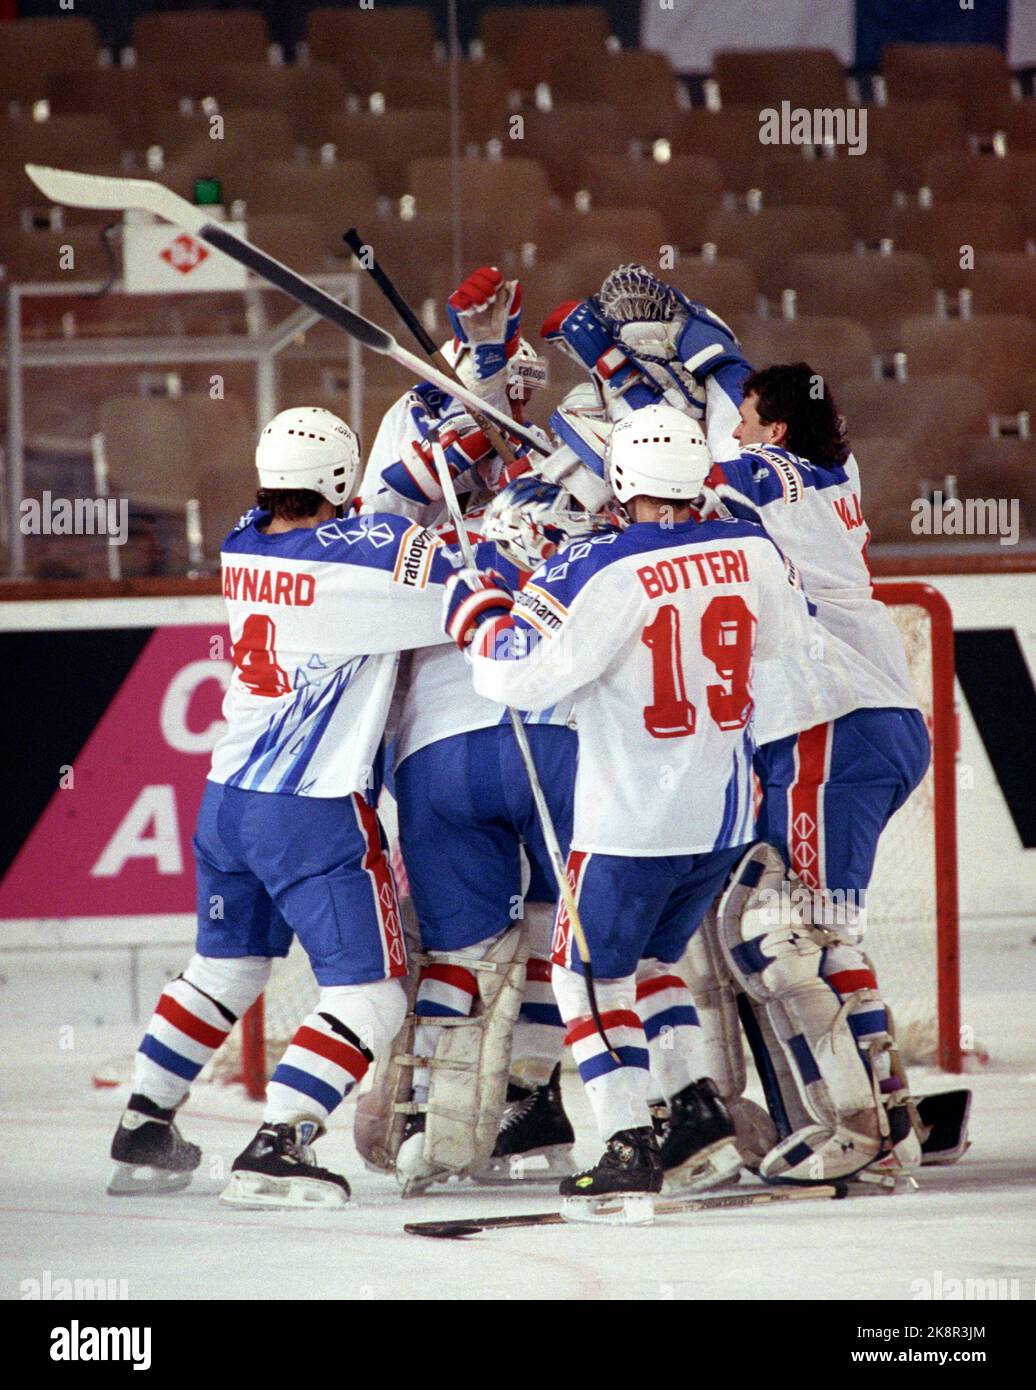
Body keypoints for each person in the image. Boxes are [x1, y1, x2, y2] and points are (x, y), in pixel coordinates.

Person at [442, 403, 855, 1201]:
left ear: (621, 478)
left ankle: (628, 1142)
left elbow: (519, 676)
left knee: (583, 977)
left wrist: (486, 597)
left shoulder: (595, 568)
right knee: (652, 962)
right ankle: (696, 1107)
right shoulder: (750, 546)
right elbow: (785, 645)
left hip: (629, 820)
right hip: (723, 816)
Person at [108, 406, 460, 1208]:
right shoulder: (358, 566)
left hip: (228, 801)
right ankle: (281, 1140)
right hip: (312, 809)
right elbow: (468, 578)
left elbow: (368, 528)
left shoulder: (243, 540)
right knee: (371, 993)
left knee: (225, 967)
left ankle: (143, 1122)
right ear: (337, 478)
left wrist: (421, 467)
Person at [702, 363, 931, 1183]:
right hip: (870, 723)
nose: (731, 430)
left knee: (787, 937)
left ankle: (861, 1130)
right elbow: (734, 373)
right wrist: (681, 349)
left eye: (745, 418)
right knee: (823, 928)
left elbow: (662, 481)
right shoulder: (827, 472)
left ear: (776, 432)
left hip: (830, 729)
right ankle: (888, 1112)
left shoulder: (770, 471)